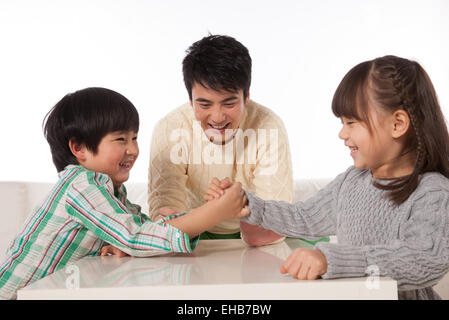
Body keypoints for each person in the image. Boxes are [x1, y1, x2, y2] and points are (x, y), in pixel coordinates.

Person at [208, 55, 449, 299]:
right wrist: (247, 204)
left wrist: (331, 259)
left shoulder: (432, 192)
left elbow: (424, 260)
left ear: (397, 124)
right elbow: (303, 217)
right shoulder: (352, 182)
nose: (342, 133)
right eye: (343, 122)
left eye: (352, 122)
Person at [0, 87, 249, 300]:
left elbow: (142, 228)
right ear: (79, 148)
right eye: (121, 139)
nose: (133, 149)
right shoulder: (80, 186)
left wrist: (202, 210)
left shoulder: (110, 191)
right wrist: (213, 213)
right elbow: (135, 236)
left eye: (134, 138)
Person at [148, 34, 302, 246]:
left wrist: (238, 201)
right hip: (196, 229)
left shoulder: (269, 126)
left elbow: (275, 221)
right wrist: (215, 211)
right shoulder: (170, 128)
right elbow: (163, 221)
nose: (218, 117)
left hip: (254, 230)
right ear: (190, 100)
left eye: (229, 104)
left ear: (246, 96)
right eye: (204, 105)